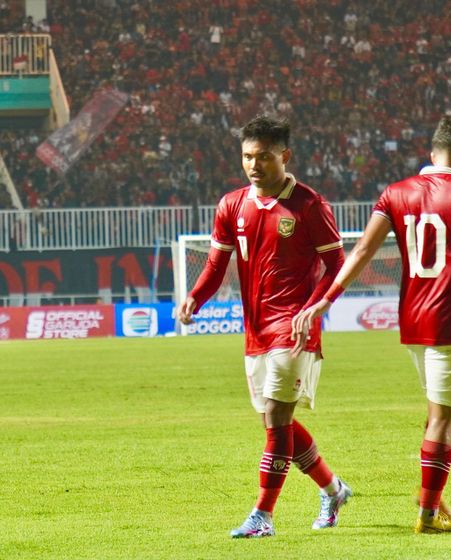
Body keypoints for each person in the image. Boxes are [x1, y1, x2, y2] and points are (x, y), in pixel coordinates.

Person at [291, 116, 451, 534]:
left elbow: (360, 251)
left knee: (438, 413)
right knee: (445, 419)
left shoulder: (395, 193)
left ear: (433, 154)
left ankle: (432, 496)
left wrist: (325, 300)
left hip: (412, 318)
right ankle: (429, 514)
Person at [178, 115, 351, 539]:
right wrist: (195, 298)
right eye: (247, 157)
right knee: (278, 426)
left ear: (284, 156)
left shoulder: (309, 206)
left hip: (294, 328)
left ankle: (262, 516)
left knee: (276, 416)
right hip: (254, 330)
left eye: (263, 157)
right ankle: (333, 489)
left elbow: (337, 267)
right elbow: (217, 264)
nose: (254, 165)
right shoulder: (232, 205)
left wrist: (314, 308)